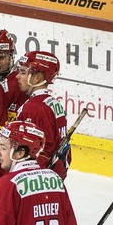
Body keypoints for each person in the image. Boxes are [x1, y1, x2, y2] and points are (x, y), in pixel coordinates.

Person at [13, 51, 69, 179]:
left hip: (35, 177)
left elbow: (37, 151)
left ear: (37, 78)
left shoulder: (33, 108)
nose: (17, 76)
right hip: (52, 176)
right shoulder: (53, 103)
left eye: (23, 72)